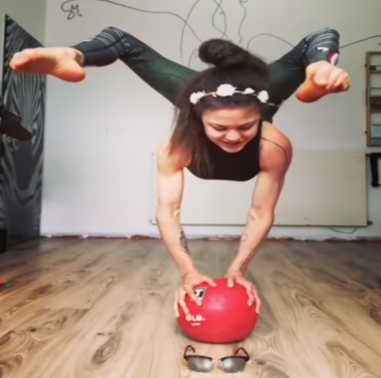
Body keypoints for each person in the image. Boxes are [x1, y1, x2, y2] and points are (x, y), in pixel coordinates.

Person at [9, 26, 350, 317]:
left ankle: (317, 70)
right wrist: (188, 272)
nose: (233, 137)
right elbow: (168, 211)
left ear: (259, 117)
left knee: (320, 38)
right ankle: (72, 54)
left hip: (258, 93)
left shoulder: (272, 145)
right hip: (199, 96)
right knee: (122, 42)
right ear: (199, 119)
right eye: (219, 128)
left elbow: (260, 212)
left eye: (245, 127)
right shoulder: (178, 145)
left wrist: (237, 270)